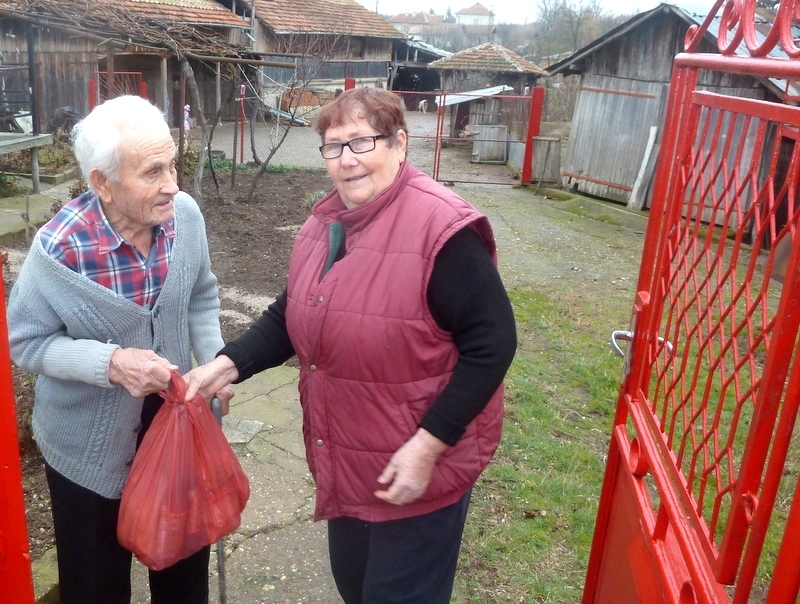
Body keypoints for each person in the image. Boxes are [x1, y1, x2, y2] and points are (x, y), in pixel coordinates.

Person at [184, 86, 517, 604]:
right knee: (355, 588)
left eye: (362, 142)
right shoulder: (325, 224)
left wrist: (428, 446)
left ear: (399, 143)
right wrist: (226, 365)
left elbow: (493, 343)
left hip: (416, 473)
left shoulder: (441, 230)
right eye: (334, 146)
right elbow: (293, 311)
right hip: (348, 460)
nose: (347, 160)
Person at [7, 95, 231, 604]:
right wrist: (108, 363)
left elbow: (201, 293)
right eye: (153, 171)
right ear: (102, 183)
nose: (172, 184)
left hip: (178, 428)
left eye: (172, 164)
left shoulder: (184, 217)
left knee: (183, 581)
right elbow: (26, 341)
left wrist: (217, 360)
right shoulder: (60, 248)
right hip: (88, 448)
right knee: (96, 587)